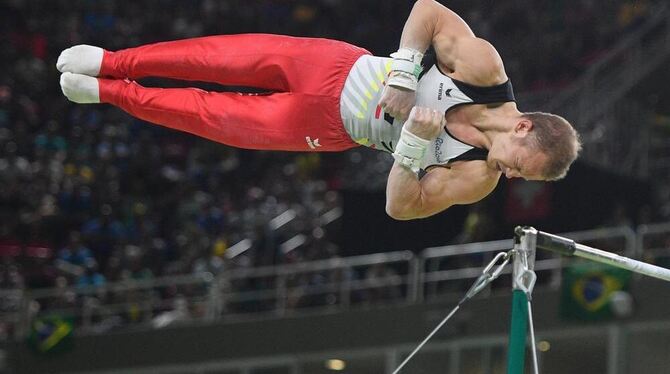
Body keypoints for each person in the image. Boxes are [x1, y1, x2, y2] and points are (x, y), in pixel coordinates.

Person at [57, 0, 581, 221]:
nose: (510, 174)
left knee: (207, 114)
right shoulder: (484, 71)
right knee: (216, 56)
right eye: (520, 162)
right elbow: (429, 11)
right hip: (330, 67)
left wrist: (415, 146)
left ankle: (111, 93)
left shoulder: (475, 179)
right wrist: (403, 75)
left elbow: (400, 208)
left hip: (323, 127)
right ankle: (113, 61)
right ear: (523, 124)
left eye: (519, 177)